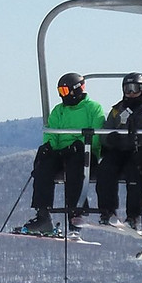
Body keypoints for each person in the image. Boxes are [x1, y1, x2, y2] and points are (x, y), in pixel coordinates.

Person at [21, 72, 105, 234]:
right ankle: (43, 214)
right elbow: (51, 133)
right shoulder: (59, 110)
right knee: (43, 166)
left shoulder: (93, 108)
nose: (63, 96)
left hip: (84, 152)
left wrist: (80, 144)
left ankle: (76, 214)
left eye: (65, 91)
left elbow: (96, 134)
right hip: (62, 152)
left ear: (77, 90)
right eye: (60, 92)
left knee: (75, 167)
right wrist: (49, 147)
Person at [96, 72, 142, 230]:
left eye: (134, 89)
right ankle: (107, 211)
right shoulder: (117, 110)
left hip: (138, 151)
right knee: (105, 170)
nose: (130, 93)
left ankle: (133, 216)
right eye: (127, 89)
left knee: (134, 173)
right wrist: (110, 139)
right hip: (119, 150)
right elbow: (104, 132)